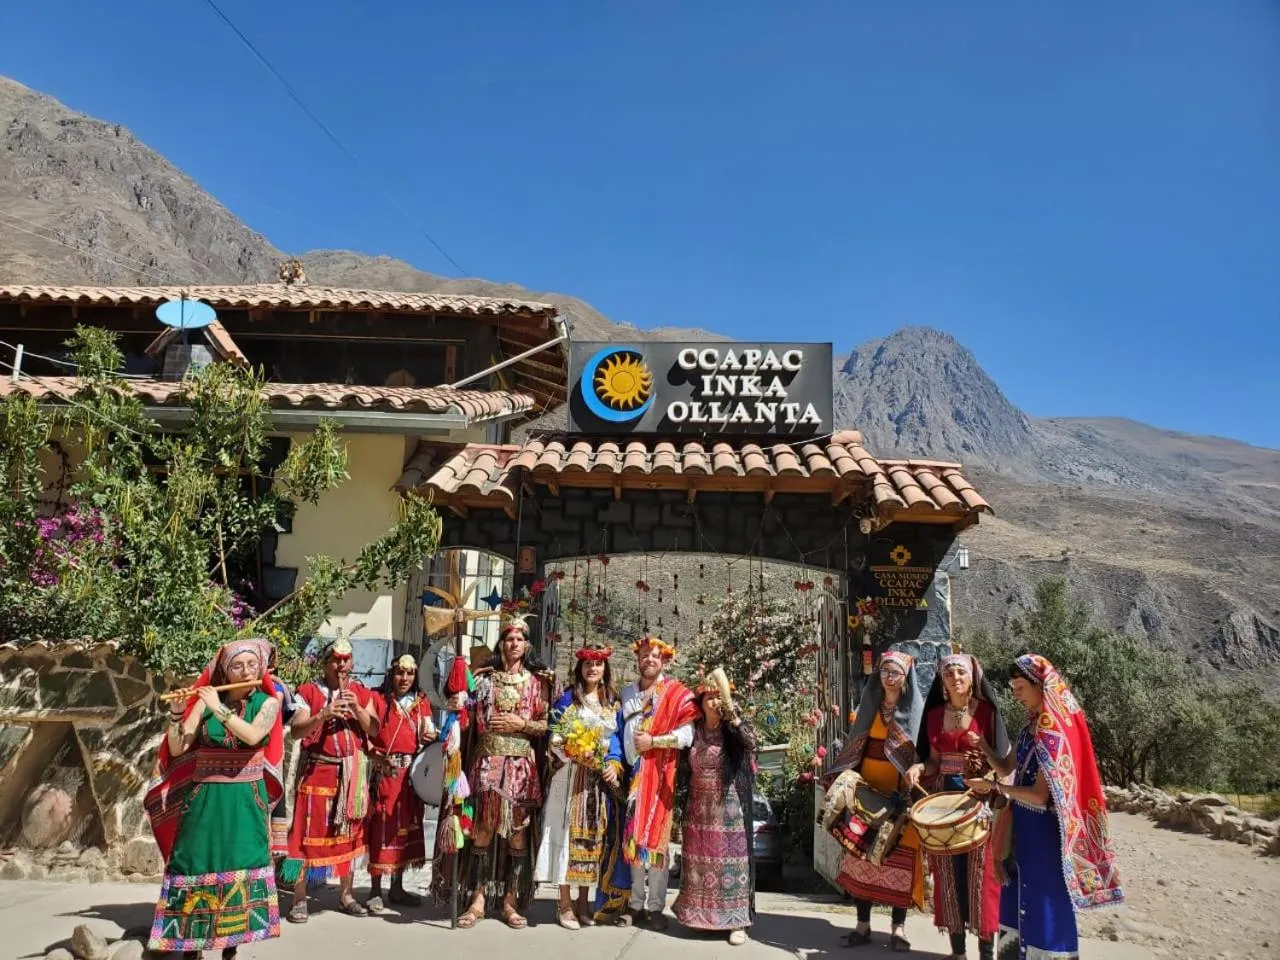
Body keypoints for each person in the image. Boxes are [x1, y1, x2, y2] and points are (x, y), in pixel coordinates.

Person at [972, 654, 1124, 960]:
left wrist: (996, 789)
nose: (1015, 694)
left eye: (1019, 687)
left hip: (1044, 833)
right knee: (1016, 898)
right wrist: (983, 746)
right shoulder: (1030, 727)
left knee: (1044, 903)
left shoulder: (1052, 730)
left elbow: (1040, 796)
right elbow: (1005, 766)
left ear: (1039, 685)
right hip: (1023, 831)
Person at [144, 639, 284, 960]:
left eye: (251, 665)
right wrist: (179, 713)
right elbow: (180, 747)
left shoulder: (268, 702)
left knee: (237, 863)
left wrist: (217, 707)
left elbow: (252, 735)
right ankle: (191, 946)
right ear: (226, 670)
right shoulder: (206, 703)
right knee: (195, 861)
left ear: (260, 668)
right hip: (205, 796)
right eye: (237, 666)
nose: (245, 671)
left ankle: (230, 947)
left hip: (244, 800)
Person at [905, 653, 1013, 960]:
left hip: (978, 802)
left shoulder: (988, 713)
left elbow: (1002, 762)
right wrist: (918, 768)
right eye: (949, 673)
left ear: (972, 678)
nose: (955, 678)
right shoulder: (935, 714)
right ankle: (958, 952)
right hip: (944, 804)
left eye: (960, 673)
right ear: (943, 680)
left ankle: (985, 953)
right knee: (948, 876)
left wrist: (989, 781)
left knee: (982, 877)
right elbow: (934, 761)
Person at [824, 649, 926, 952]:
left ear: (905, 678)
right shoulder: (870, 708)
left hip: (899, 799)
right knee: (860, 857)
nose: (889, 677)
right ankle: (863, 925)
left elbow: (919, 755)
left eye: (895, 672)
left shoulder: (915, 713)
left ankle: (898, 928)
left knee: (900, 861)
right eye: (885, 672)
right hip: (866, 794)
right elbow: (856, 745)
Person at [452, 616, 550, 930]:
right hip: (486, 762)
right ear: (502, 643)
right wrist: (458, 701)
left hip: (521, 765)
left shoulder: (537, 683)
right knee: (482, 829)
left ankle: (510, 901)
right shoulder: (484, 679)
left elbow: (546, 725)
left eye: (519, 638)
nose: (513, 643)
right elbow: (464, 711)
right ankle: (477, 900)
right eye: (509, 638)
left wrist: (523, 725)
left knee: (518, 833)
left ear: (527, 645)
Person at [286, 637, 381, 922]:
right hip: (318, 772)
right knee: (302, 837)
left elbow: (374, 730)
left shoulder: (362, 693)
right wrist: (324, 713)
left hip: (351, 777)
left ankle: (346, 895)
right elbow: (297, 731)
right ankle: (299, 897)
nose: (342, 665)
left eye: (346, 659)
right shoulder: (309, 692)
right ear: (326, 664)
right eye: (336, 659)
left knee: (349, 837)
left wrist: (358, 710)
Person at [534, 642, 626, 930]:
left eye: (598, 664)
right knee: (565, 837)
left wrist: (613, 762)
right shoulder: (566, 700)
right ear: (580, 668)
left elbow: (616, 741)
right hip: (570, 779)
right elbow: (555, 735)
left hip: (596, 784)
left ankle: (584, 903)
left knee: (591, 841)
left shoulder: (611, 703)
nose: (593, 669)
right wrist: (572, 750)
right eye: (588, 664)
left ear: (604, 669)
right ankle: (564, 904)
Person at [617, 635, 700, 930]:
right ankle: (636, 904)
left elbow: (687, 736)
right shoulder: (627, 693)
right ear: (637, 659)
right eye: (644, 655)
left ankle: (656, 907)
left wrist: (653, 741)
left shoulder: (677, 694)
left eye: (655, 655)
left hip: (662, 776)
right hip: (633, 777)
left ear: (664, 660)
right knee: (633, 842)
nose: (649, 660)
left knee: (658, 845)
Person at [672, 672, 757, 947]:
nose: (713, 701)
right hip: (698, 808)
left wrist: (734, 717)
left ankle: (737, 921)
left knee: (731, 863)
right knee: (699, 864)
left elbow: (752, 743)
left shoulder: (732, 731)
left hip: (728, 808)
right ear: (701, 701)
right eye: (709, 697)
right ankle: (703, 917)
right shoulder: (693, 730)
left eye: (718, 696)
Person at [366, 653, 438, 913]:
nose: (404, 678)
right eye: (399, 673)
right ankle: (375, 889)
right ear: (391, 674)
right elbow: (367, 735)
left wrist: (431, 736)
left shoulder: (421, 703)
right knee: (381, 828)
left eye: (409, 674)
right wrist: (375, 756)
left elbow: (427, 731)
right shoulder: (378, 699)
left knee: (406, 829)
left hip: (410, 777)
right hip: (386, 774)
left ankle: (397, 887)